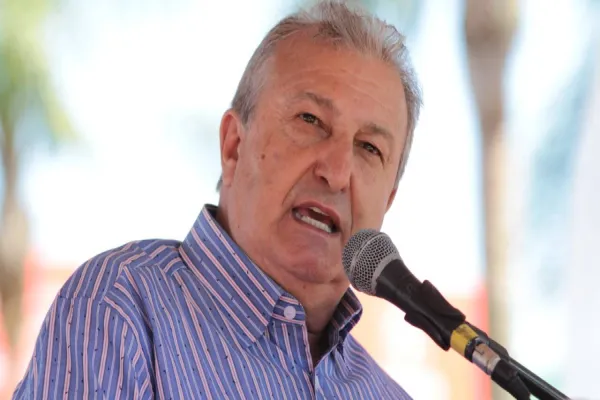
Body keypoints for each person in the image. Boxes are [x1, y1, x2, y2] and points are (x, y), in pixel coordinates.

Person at [13, 0, 422, 398]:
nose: (336, 172)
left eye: (369, 148)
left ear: (388, 201)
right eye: (310, 120)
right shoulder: (120, 309)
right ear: (233, 146)